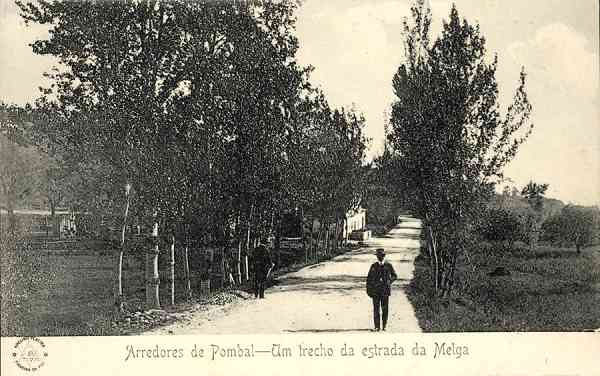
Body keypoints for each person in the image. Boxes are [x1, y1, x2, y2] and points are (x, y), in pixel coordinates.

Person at [366, 248, 397, 331]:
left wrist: (389, 281)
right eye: (378, 256)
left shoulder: (388, 265)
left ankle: (384, 326)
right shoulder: (374, 266)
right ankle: (377, 326)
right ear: (377, 257)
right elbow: (368, 279)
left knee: (385, 309)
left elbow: (395, 276)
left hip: (385, 291)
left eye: (382, 256)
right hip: (375, 291)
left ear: (384, 256)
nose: (380, 257)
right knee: (376, 309)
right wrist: (369, 290)